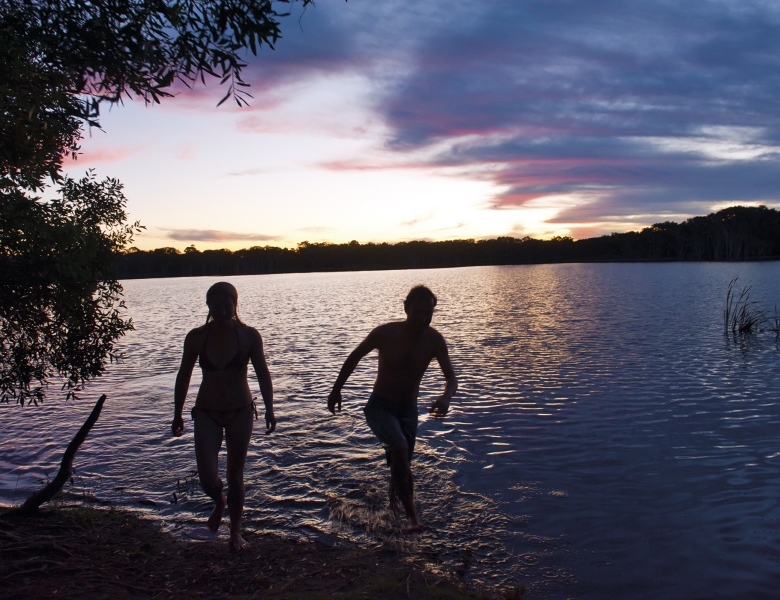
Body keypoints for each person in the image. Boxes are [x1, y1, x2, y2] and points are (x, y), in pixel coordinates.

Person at [328, 285, 457, 532]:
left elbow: (451, 377)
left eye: (428, 313)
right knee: (398, 446)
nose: (422, 319)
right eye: (417, 312)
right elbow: (354, 356)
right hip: (380, 407)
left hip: (408, 411)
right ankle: (412, 519)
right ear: (406, 308)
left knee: (402, 465)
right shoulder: (385, 333)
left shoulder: (434, 340)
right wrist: (336, 390)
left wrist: (446, 397)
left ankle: (393, 509)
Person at [172, 281, 275, 552]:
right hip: (206, 412)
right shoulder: (196, 337)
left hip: (240, 410)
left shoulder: (250, 336)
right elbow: (184, 376)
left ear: (235, 305)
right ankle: (219, 501)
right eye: (216, 306)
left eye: (226, 306)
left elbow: (263, 373)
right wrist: (177, 413)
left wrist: (270, 408)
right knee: (207, 477)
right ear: (208, 306)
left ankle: (235, 532)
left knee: (235, 474)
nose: (221, 311)